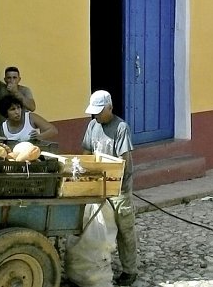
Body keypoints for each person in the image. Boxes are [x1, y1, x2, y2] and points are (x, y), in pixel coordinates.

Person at [81, 90, 138, 286]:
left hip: (119, 188)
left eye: (99, 111)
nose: (96, 115)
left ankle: (130, 269)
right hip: (99, 185)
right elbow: (87, 152)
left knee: (124, 229)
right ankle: (101, 264)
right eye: (94, 112)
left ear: (110, 108)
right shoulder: (92, 125)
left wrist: (111, 177)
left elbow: (124, 160)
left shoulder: (121, 127)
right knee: (97, 227)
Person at [0, 39, 36, 127]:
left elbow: (32, 107)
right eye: (9, 78)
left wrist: (16, 92)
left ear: (19, 79)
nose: (11, 80)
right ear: (5, 79)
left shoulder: (25, 90)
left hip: (22, 128)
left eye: (14, 78)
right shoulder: (0, 88)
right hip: (4, 128)